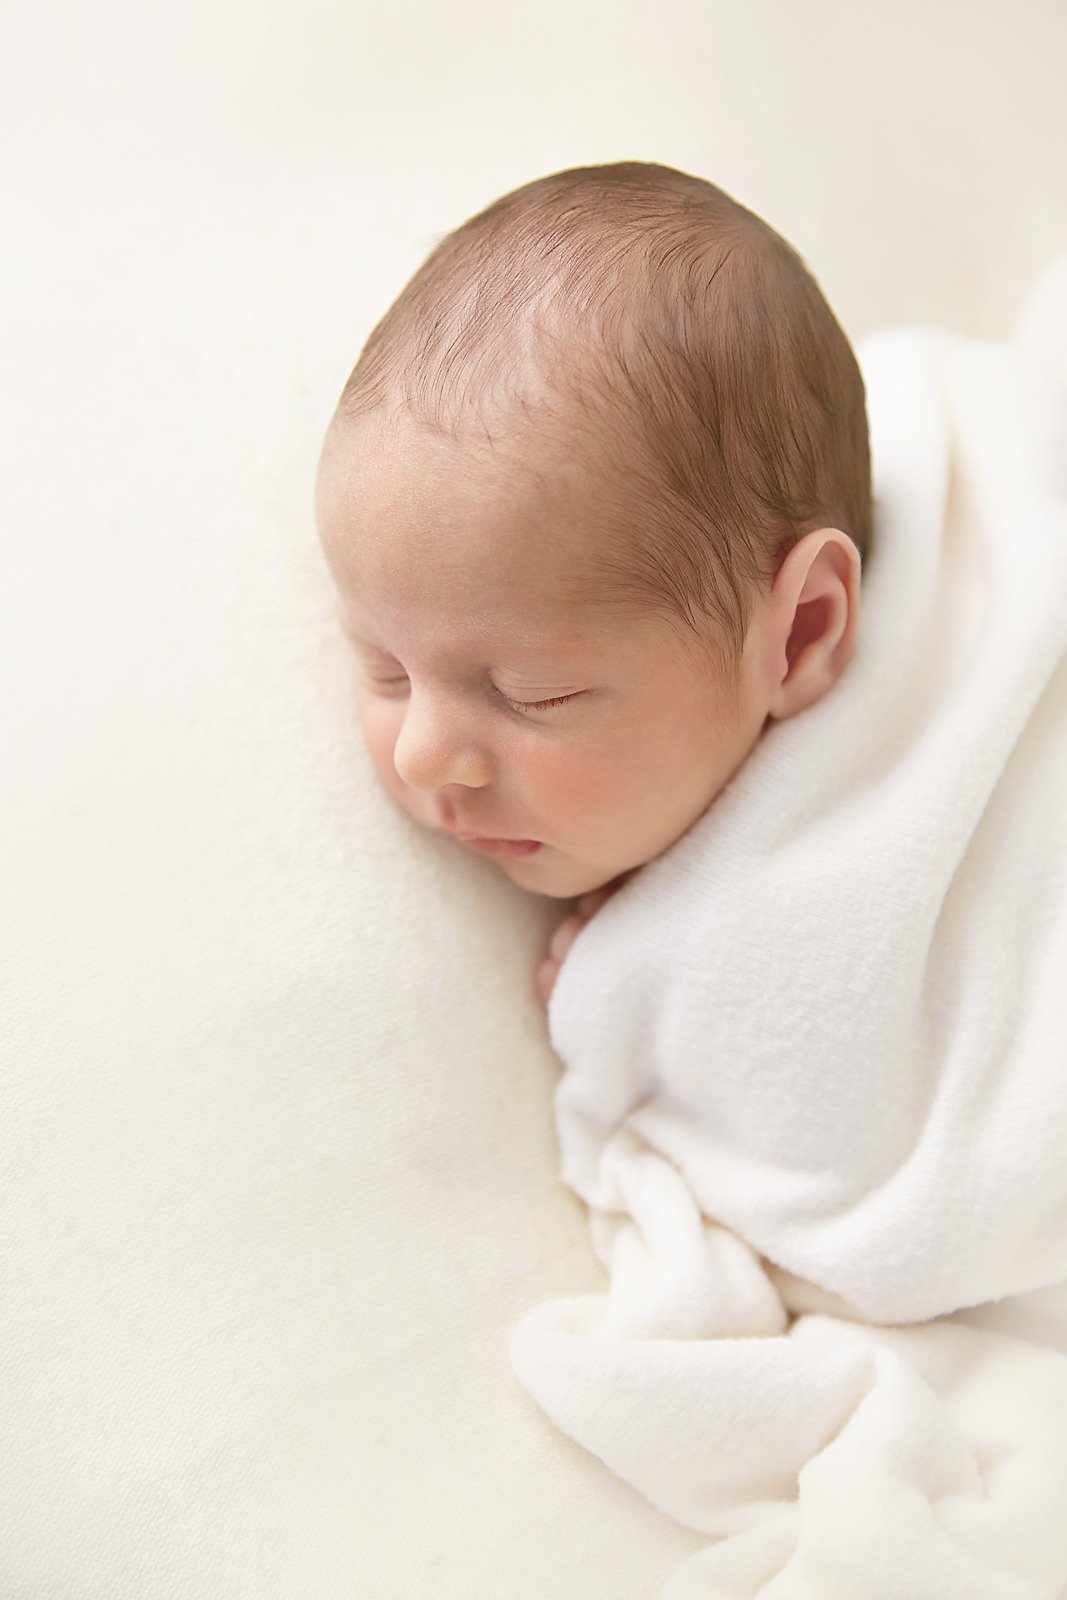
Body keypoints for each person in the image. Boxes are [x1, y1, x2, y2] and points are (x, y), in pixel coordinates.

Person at [314, 160, 871, 1006]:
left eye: (528, 694)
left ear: (796, 634)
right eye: (384, 668)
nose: (420, 757)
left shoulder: (852, 881)